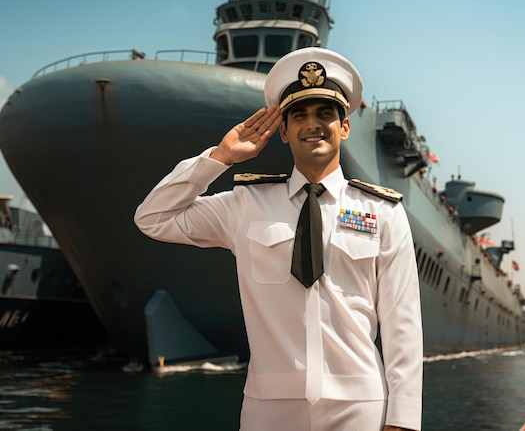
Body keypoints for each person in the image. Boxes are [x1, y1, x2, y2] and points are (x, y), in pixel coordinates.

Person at [135, 47, 423, 431]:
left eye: (325, 113)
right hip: (269, 409)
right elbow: (153, 218)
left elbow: (402, 323)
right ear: (283, 132)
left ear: (345, 127)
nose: (313, 124)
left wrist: (402, 421)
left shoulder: (384, 213)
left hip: (359, 407)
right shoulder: (245, 205)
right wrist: (220, 158)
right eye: (299, 115)